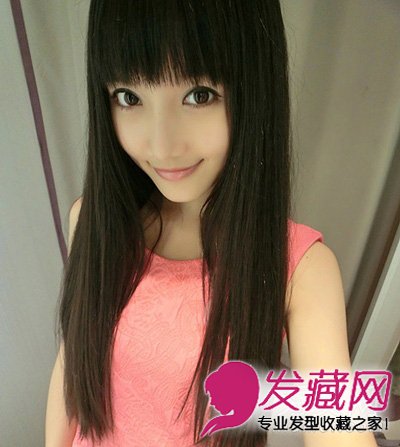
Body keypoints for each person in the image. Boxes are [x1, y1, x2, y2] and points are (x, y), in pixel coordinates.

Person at [45, 0, 379, 446]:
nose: (162, 145)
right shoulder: (91, 222)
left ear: (255, 93)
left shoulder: (301, 268)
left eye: (199, 95)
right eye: (129, 97)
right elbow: (71, 366)